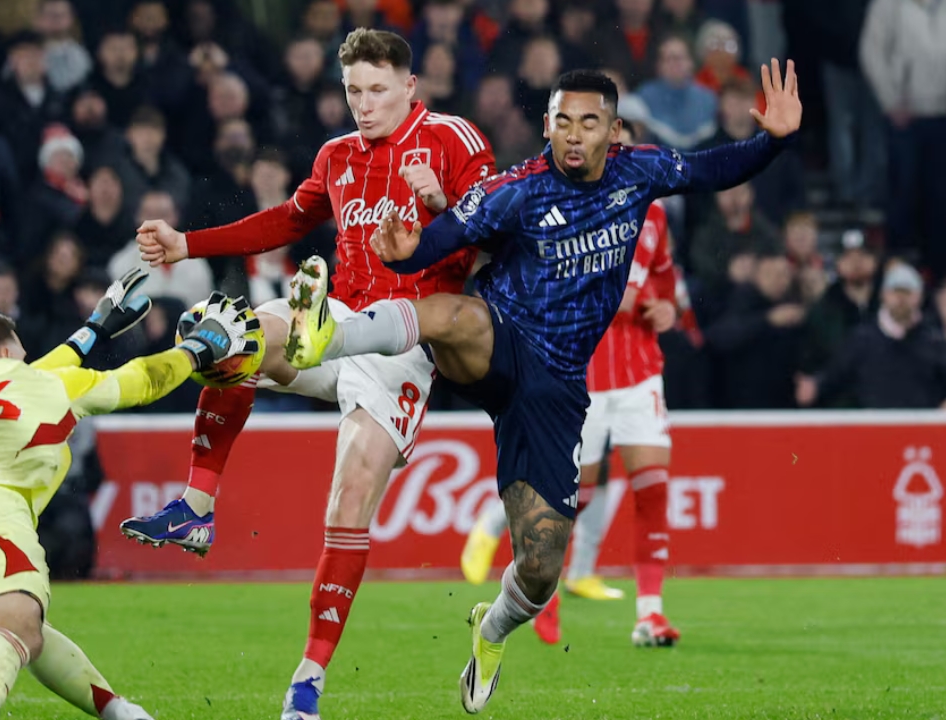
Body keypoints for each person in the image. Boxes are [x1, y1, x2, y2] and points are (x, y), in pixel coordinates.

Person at [278, 62, 802, 713]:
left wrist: (773, 141)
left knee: (541, 564)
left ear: (614, 130)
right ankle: (327, 335)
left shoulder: (639, 173)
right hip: (500, 344)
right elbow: (442, 239)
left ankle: (491, 629)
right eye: (562, 121)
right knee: (455, 316)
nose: (574, 135)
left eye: (589, 123)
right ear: (546, 126)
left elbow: (711, 168)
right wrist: (409, 250)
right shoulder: (518, 189)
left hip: (555, 390)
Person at [123, 27, 495, 720]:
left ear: (410, 86)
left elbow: (499, 238)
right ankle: (196, 508)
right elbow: (283, 223)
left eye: (377, 90)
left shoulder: (453, 140)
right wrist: (186, 245)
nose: (364, 104)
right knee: (228, 336)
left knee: (347, 506)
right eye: (354, 91)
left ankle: (308, 681)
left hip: (403, 342)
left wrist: (444, 207)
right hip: (328, 321)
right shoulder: (337, 154)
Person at [0, 272, 259, 720]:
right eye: (21, 351)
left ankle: (120, 711)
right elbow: (142, 380)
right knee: (15, 628)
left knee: (22, 631)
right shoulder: (51, 387)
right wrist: (195, 350)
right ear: (5, 354)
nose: (27, 359)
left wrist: (93, 328)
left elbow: (29, 373)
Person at [459, 123, 682, 648]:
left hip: (641, 369)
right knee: (571, 495)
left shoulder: (654, 213)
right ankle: (542, 590)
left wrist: (666, 307)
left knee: (653, 488)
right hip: (581, 371)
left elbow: (664, 279)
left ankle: (650, 613)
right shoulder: (564, 202)